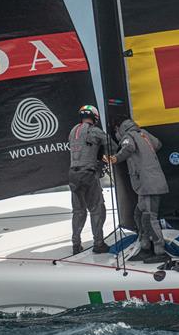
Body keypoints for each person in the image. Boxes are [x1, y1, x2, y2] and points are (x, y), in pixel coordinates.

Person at [106, 117, 170, 263]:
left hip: (147, 183)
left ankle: (159, 252)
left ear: (119, 129)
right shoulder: (143, 133)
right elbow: (158, 144)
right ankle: (145, 247)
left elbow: (128, 148)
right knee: (139, 215)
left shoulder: (129, 136)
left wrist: (115, 158)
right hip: (151, 182)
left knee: (148, 217)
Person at [68, 105, 116, 255]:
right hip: (88, 174)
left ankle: (76, 244)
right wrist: (103, 154)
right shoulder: (95, 131)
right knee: (97, 209)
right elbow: (112, 147)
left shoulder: (72, 131)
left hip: (73, 175)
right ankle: (99, 244)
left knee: (78, 211)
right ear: (95, 117)